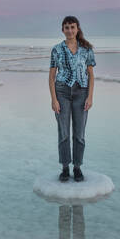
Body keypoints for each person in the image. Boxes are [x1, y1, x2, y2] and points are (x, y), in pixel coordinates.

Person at [49, 16, 96, 182]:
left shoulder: (87, 49)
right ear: (62, 30)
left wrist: (90, 97)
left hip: (81, 92)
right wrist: (53, 99)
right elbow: (51, 76)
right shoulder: (56, 49)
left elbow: (91, 75)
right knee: (63, 132)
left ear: (77, 29)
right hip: (61, 92)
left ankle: (77, 167)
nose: (69, 30)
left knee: (79, 133)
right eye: (66, 27)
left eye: (72, 27)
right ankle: (64, 167)